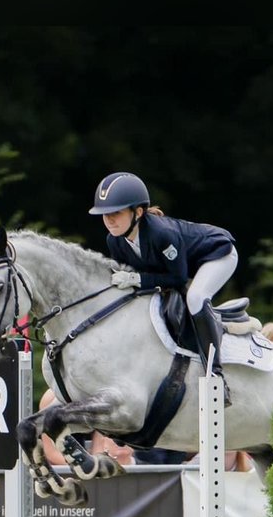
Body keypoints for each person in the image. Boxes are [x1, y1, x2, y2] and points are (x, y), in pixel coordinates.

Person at [90, 172, 238, 405]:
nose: (109, 220)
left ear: (138, 212)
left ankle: (216, 376)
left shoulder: (162, 234)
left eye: (116, 213)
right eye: (105, 215)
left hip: (217, 254)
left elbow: (178, 279)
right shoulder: (114, 240)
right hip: (184, 267)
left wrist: (137, 280)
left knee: (196, 298)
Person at [39, 389, 134, 467]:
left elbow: (99, 446)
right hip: (59, 467)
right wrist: (84, 465)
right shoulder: (51, 397)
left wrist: (95, 466)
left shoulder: (96, 393)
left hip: (82, 457)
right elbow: (50, 452)